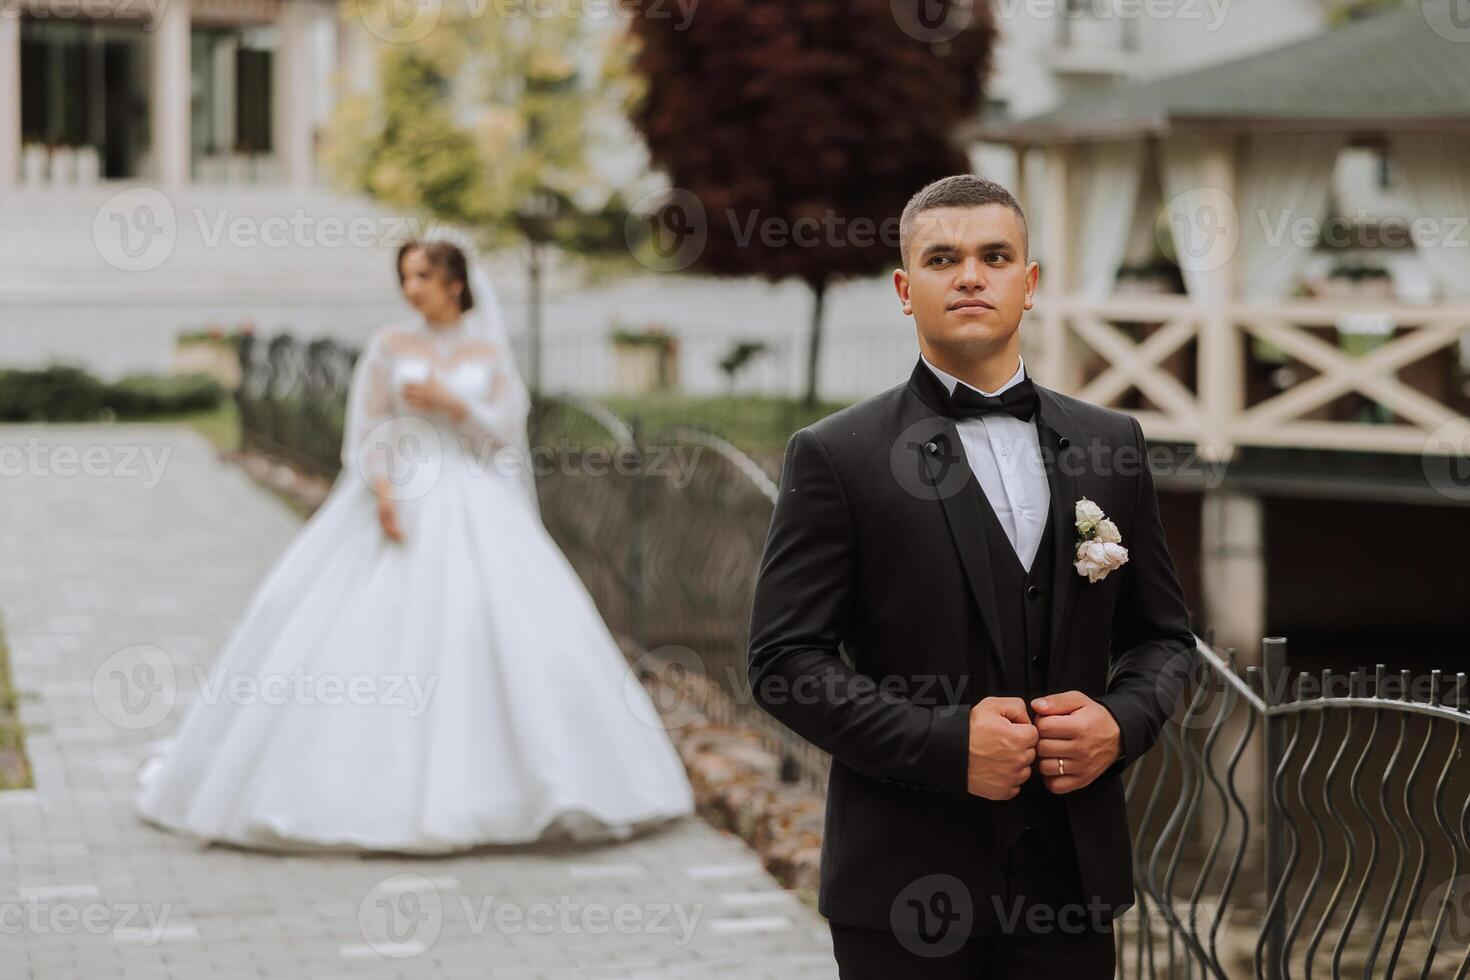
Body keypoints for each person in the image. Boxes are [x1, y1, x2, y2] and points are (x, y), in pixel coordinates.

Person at [747, 175, 1195, 977]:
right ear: (904, 289)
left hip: (1072, 883)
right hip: (903, 887)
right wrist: (946, 744)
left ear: (1029, 285)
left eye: (995, 256)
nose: (969, 276)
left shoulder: (1112, 443)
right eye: (942, 258)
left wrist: (1120, 725)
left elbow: (1163, 638)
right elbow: (785, 664)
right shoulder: (837, 456)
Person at [136, 233, 694, 853]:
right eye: (405, 277)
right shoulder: (388, 345)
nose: (411, 289)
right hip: (398, 487)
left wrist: (455, 404)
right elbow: (367, 429)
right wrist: (381, 491)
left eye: (423, 276)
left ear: (456, 283)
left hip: (471, 492)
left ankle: (530, 784)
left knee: (494, 623)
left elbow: (505, 436)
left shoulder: (489, 351)